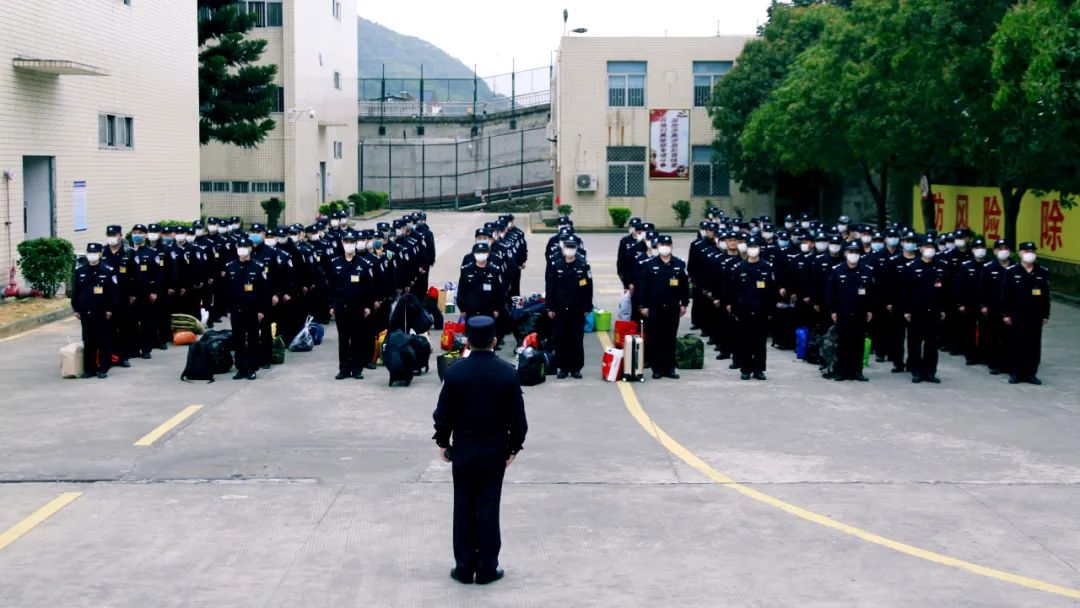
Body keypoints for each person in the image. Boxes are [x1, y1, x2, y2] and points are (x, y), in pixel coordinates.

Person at [432, 316, 527, 586]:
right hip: (493, 451)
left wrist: (442, 442)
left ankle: (464, 567)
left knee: (463, 506)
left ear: (468, 341)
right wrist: (513, 447)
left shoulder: (455, 372)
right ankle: (487, 568)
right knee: (488, 507)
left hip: (463, 450)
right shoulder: (508, 373)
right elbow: (518, 420)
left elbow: (443, 413)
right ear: (494, 341)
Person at [638, 235, 689, 380]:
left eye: (667, 244)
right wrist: (643, 306)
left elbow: (685, 287)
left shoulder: (679, 264)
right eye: (662, 244)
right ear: (658, 246)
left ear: (671, 246)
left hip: (673, 308)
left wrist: (684, 304)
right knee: (655, 338)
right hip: (654, 308)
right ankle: (657, 368)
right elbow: (643, 287)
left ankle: (670, 368)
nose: (665, 247)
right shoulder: (649, 264)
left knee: (670, 338)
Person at [901, 236, 950, 383]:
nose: (929, 250)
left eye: (932, 247)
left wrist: (943, 309)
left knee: (932, 344)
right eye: (926, 247)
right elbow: (905, 291)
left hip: (934, 311)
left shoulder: (941, 266)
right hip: (917, 311)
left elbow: (946, 290)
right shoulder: (912, 266)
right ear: (920, 248)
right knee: (915, 343)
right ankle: (916, 371)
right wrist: (907, 310)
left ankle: (930, 372)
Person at [328, 230, 375, 380]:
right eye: (346, 242)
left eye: (351, 242)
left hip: (358, 307)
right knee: (343, 339)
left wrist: (368, 306)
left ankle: (356, 369)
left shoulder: (364, 264)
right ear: (342, 243)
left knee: (357, 338)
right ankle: (344, 369)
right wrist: (331, 306)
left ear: (355, 244)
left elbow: (369, 288)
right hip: (341, 307)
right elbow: (331, 287)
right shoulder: (335, 263)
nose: (349, 245)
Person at [544, 235, 593, 379]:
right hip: (560, 308)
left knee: (576, 339)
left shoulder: (583, 266)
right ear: (563, 249)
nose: (570, 250)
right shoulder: (556, 265)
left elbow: (587, 288)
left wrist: (587, 307)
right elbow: (550, 287)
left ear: (576, 249)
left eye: (573, 248)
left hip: (577, 309)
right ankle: (563, 368)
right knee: (561, 339)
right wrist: (549, 307)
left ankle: (576, 368)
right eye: (567, 248)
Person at [1001, 242, 1050, 385]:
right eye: (1026, 251)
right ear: (1020, 253)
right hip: (1017, 315)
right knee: (1016, 344)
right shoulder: (1011, 271)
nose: (1030, 254)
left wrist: (1046, 314)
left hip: (1035, 315)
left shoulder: (1042, 272)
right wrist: (1006, 314)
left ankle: (1031, 373)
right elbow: (1006, 295)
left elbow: (1046, 295)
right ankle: (1015, 373)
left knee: (1033, 345)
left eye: (1032, 251)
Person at [825, 243, 874, 381]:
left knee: (858, 343)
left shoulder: (866, 270)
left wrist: (870, 309)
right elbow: (830, 292)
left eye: (856, 252)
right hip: (842, 312)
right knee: (843, 342)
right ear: (846, 253)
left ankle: (857, 371)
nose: (853, 254)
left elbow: (872, 292)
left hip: (860, 312)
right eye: (851, 251)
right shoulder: (837, 270)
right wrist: (833, 310)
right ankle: (842, 371)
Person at [729, 236, 776, 381]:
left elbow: (772, 292)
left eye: (755, 247)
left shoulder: (767, 267)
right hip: (744, 312)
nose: (753, 250)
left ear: (760, 249)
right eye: (750, 247)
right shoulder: (740, 268)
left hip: (762, 311)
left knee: (760, 342)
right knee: (745, 341)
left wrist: (770, 311)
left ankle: (759, 369)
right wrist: (736, 311)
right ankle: (746, 369)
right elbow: (734, 292)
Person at [223, 238, 268, 380]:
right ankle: (240, 368)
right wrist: (228, 310)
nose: (242, 249)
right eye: (240, 246)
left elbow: (264, 291)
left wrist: (261, 310)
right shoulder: (230, 267)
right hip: (236, 310)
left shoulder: (258, 266)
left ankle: (251, 368)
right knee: (238, 340)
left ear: (251, 248)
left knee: (253, 339)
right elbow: (225, 291)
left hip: (252, 310)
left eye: (245, 246)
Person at [72, 243, 117, 379]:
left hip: (102, 312)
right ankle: (89, 369)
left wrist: (110, 309)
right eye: (89, 252)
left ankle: (104, 367)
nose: (92, 254)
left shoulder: (108, 270)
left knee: (103, 340)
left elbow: (113, 293)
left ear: (100, 254)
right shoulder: (81, 271)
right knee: (88, 340)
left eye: (95, 252)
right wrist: (76, 309)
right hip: (86, 312)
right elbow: (75, 292)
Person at [980, 240, 1014, 375]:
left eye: (1006, 248)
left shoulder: (1015, 267)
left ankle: (1007, 363)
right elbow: (983, 288)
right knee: (993, 336)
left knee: (1009, 337)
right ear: (994, 251)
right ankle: (993, 363)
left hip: (1010, 308)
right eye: (1000, 248)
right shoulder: (988, 268)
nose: (1003, 251)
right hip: (993, 307)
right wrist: (983, 305)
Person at [457, 242, 503, 321]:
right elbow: (461, 290)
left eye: (484, 252)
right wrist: (462, 309)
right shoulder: (466, 270)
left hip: (488, 311)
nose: (481, 254)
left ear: (488, 254)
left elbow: (498, 292)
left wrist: (497, 309)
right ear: (474, 254)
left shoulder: (494, 270)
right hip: (470, 310)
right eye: (478, 252)